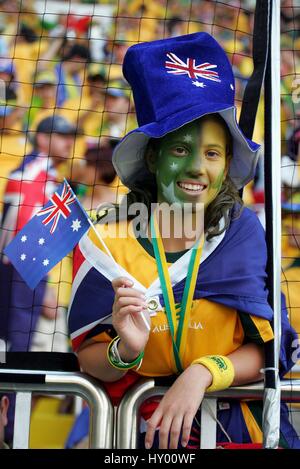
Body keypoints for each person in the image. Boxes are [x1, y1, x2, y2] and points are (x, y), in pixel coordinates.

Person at [68, 33, 299, 449]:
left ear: (228, 162)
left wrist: (202, 373)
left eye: (212, 153)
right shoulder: (105, 241)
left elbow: (267, 351)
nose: (197, 168)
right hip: (139, 438)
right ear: (153, 158)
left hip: (237, 435)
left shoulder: (244, 233)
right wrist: (126, 349)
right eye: (179, 149)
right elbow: (90, 362)